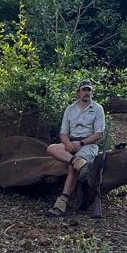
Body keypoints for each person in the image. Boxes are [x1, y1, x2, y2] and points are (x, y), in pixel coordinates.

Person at [46, 81, 106, 217]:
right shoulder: (70, 109)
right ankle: (77, 161)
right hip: (71, 142)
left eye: (89, 90)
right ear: (78, 92)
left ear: (92, 92)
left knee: (72, 169)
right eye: (84, 90)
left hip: (88, 144)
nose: (86, 93)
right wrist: (68, 144)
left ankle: (61, 204)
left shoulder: (97, 109)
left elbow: (98, 134)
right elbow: (63, 132)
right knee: (51, 148)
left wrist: (81, 143)